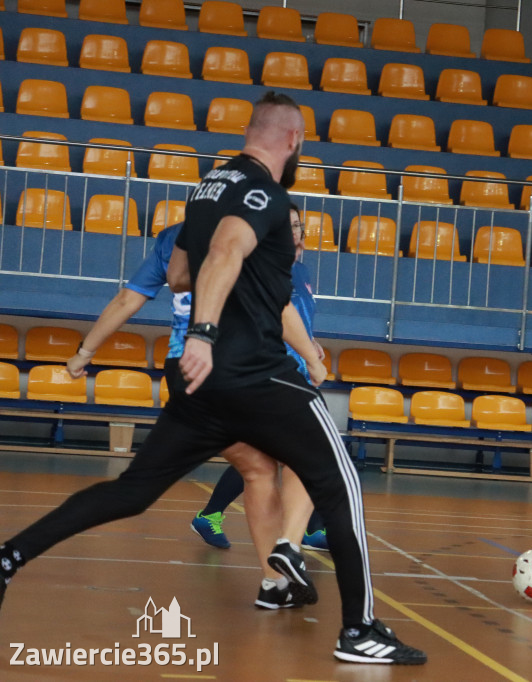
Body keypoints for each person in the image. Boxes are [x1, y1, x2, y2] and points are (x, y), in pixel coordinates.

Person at [1, 91, 426, 665]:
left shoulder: (206, 188)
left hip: (198, 387)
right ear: (294, 140)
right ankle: (360, 630)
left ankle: (10, 557)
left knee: (132, 491)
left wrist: (205, 319)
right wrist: (204, 330)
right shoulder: (267, 196)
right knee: (341, 482)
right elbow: (226, 251)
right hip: (255, 373)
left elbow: (179, 270)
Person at [65, 207, 323, 611]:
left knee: (259, 471)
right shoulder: (242, 240)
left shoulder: (182, 238)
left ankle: (275, 579)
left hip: (212, 372)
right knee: (298, 461)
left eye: (295, 227)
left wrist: (85, 352)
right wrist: (310, 355)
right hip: (247, 371)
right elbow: (276, 308)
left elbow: (127, 299)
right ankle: (287, 548)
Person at [191, 204, 329, 554]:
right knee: (295, 451)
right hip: (275, 371)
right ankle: (306, 530)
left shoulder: (301, 269)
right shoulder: (265, 267)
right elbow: (268, 317)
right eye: (288, 225)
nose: (295, 231)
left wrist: (310, 342)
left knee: (272, 454)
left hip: (296, 369)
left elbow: (297, 317)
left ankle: (214, 515)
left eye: (299, 225)